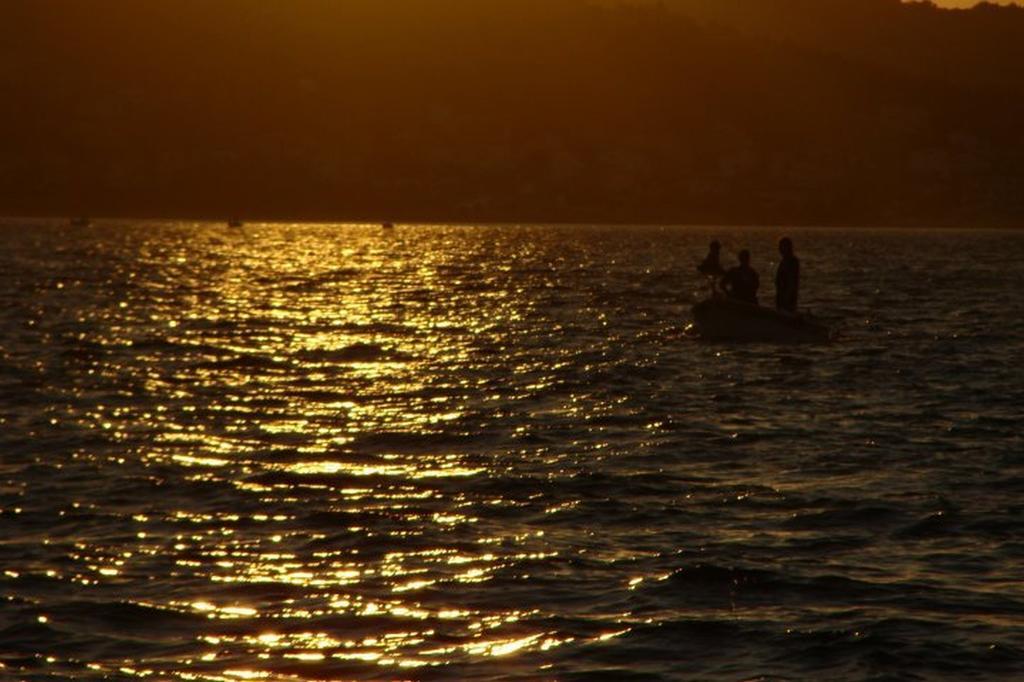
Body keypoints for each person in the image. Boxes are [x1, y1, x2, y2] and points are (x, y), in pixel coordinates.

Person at [775, 237, 800, 314]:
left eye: (781, 246)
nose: (779, 249)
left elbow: (791, 281)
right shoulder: (784, 261)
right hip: (781, 297)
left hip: (787, 299)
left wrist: (786, 298)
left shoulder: (792, 262)